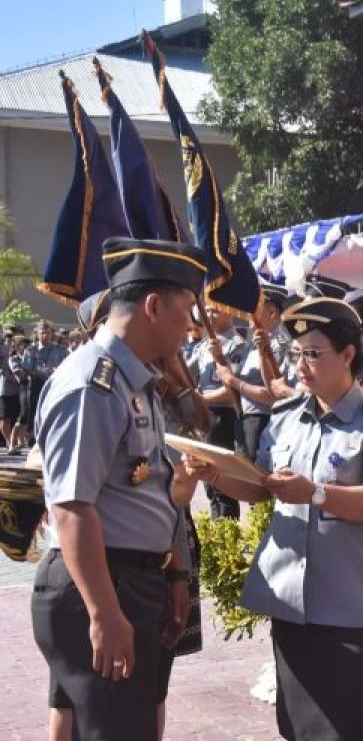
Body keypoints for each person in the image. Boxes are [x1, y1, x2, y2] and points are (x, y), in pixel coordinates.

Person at [183, 296, 363, 741]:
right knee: (300, 728)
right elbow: (263, 489)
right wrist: (218, 477)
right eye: (296, 354)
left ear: (347, 356)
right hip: (294, 603)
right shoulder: (287, 418)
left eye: (312, 354)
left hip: (351, 608)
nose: (301, 366)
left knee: (355, 730)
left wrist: (318, 493)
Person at [30, 237, 203, 741]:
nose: (192, 326)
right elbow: (72, 509)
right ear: (153, 305)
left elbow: (145, 490)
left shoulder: (135, 383)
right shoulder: (93, 386)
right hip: (104, 584)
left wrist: (172, 573)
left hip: (129, 580)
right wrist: (105, 614)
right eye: (188, 309)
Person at [215, 282, 289, 460]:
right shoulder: (251, 344)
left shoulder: (279, 346)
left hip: (263, 421)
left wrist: (234, 382)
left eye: (254, 309)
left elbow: (273, 394)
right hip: (245, 419)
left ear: (271, 313)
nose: (248, 315)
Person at [192, 304, 248, 519]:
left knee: (222, 480)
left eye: (215, 310)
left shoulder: (238, 345)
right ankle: (218, 529)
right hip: (205, 415)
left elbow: (231, 389)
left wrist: (201, 399)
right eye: (206, 310)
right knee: (208, 481)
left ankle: (228, 531)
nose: (209, 315)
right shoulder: (203, 345)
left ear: (230, 312)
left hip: (223, 416)